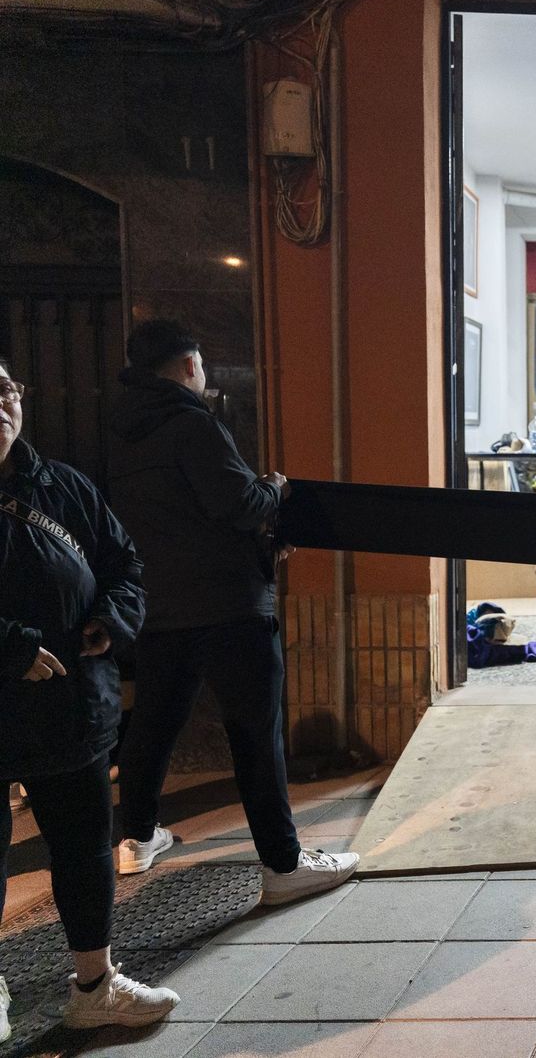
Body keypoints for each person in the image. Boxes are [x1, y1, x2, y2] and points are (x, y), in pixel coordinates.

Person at [107, 320, 359, 905]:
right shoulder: (193, 425)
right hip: (228, 606)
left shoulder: (122, 434)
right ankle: (283, 865)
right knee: (255, 734)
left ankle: (137, 838)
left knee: (152, 724)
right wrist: (274, 487)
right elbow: (239, 502)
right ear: (190, 365)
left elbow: (178, 523)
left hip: (161, 606)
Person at [0, 356, 181, 1030]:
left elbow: (124, 563)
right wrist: (10, 647)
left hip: (71, 707)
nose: (0, 404)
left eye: (6, 389)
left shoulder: (64, 487)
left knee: (82, 850)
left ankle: (94, 986)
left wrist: (111, 619)